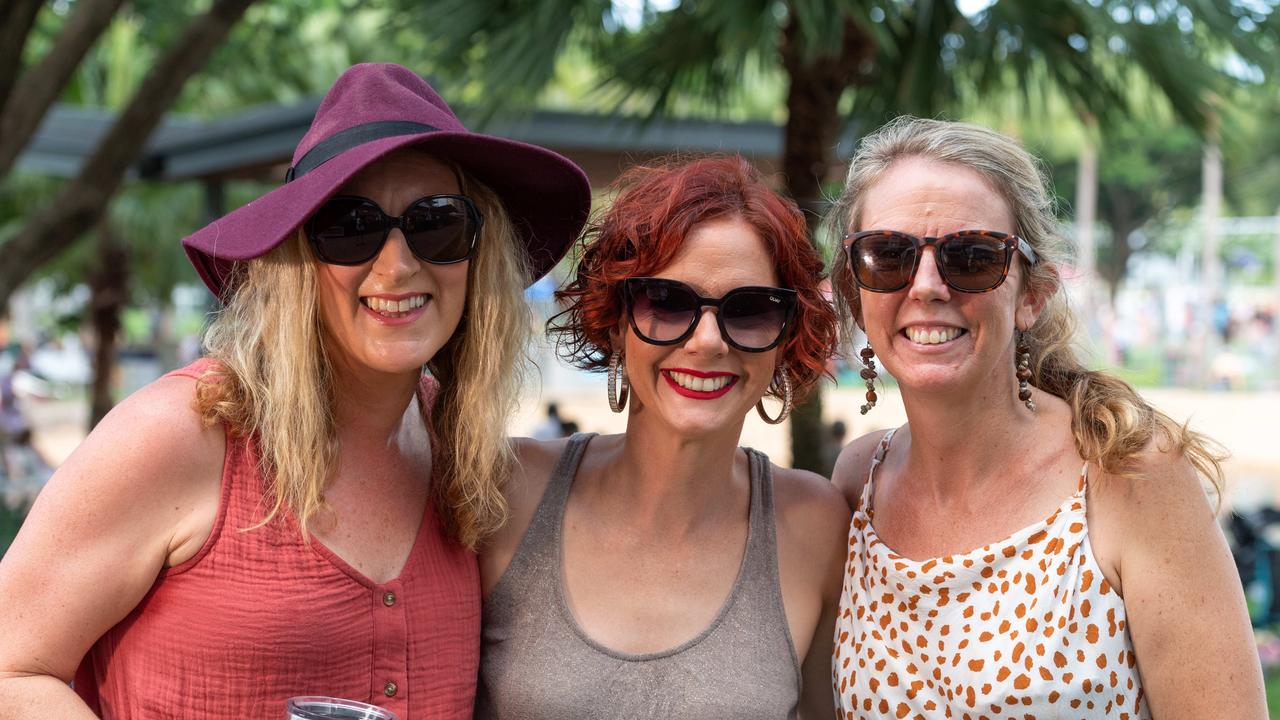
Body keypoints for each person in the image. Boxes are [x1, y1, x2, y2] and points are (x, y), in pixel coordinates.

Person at [0, 63, 591, 719]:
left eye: (436, 223)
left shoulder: (465, 459)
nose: (397, 265)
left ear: (479, 255)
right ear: (295, 261)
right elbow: (11, 670)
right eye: (349, 228)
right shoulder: (185, 434)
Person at [827, 117, 1264, 718]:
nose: (926, 285)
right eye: (888, 255)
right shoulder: (858, 485)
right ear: (855, 293)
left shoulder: (1126, 475)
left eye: (973, 256)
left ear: (1031, 295)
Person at [476, 156, 850, 719]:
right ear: (615, 316)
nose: (706, 342)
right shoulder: (508, 489)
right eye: (667, 302)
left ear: (785, 336)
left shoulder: (816, 526)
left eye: (748, 310)